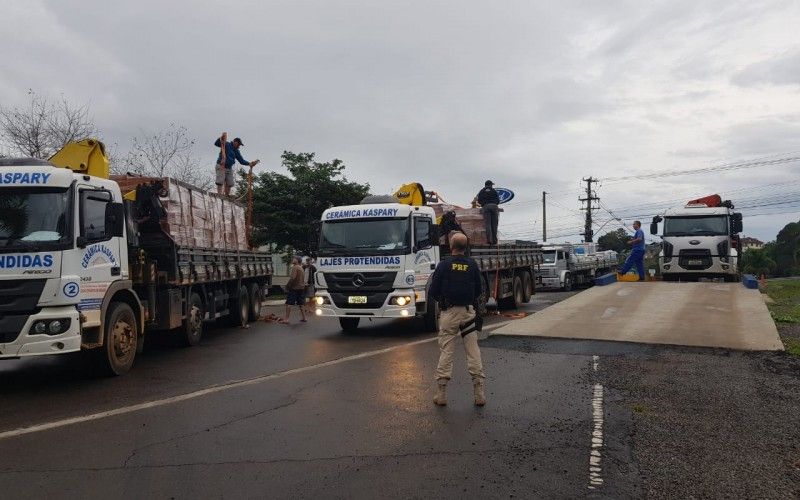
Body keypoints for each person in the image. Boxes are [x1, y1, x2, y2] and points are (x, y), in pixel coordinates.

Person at [428, 232, 486, 407]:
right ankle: (479, 394)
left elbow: (433, 291)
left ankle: (442, 393)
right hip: (468, 313)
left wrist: (444, 301)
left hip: (449, 314)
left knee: (447, 351)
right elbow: (479, 290)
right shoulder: (472, 265)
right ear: (466, 247)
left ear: (451, 246)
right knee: (473, 350)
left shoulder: (444, 266)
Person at [214, 132, 259, 196]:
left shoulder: (236, 151)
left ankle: (226, 196)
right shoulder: (226, 144)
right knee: (220, 181)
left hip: (229, 168)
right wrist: (221, 138)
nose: (239, 146)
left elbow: (241, 160)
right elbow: (216, 143)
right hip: (221, 165)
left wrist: (249, 164)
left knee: (230, 183)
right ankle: (219, 195)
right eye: (238, 144)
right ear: (235, 142)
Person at [281, 256, 307, 324]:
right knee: (301, 304)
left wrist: (287, 286)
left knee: (289, 303)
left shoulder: (295, 267)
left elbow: (292, 278)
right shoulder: (301, 268)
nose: (292, 259)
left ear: (297, 260)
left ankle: (286, 319)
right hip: (301, 288)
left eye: (294, 259)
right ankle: (304, 318)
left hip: (294, 288)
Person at [476, 180, 500, 245]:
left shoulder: (482, 191)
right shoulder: (494, 191)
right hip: (494, 206)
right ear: (490, 185)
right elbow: (498, 200)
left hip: (486, 207)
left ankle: (489, 240)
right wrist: (495, 204)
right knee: (494, 225)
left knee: (488, 224)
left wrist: (484, 204)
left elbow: (479, 200)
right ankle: (494, 241)